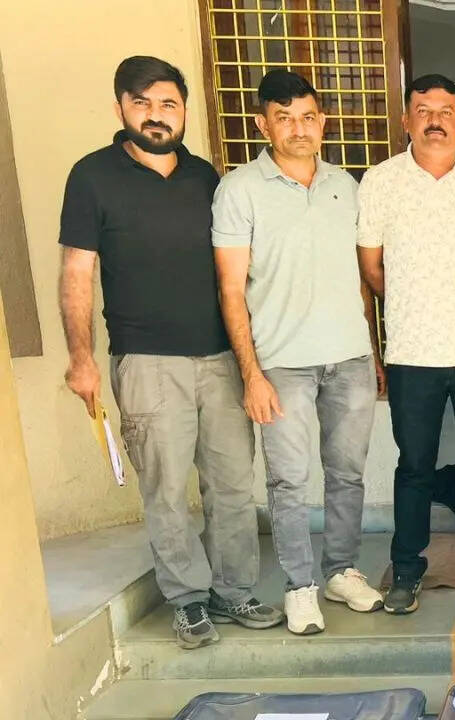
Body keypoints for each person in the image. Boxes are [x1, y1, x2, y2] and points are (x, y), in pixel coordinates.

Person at [59, 56, 281, 649]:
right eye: (142, 103)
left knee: (232, 484)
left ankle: (233, 590)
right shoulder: (92, 177)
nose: (156, 116)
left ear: (183, 111)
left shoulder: (206, 178)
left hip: (221, 358)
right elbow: (77, 272)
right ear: (121, 108)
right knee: (165, 489)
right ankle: (187, 599)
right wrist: (82, 358)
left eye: (168, 105)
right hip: (147, 361)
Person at [212, 70, 382, 635]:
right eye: (283, 118)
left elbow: (360, 278)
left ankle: (341, 571)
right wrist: (251, 374)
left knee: (348, 473)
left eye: (308, 117)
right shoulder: (239, 190)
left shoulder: (345, 186)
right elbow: (231, 289)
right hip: (281, 364)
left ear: (322, 122)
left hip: (350, 358)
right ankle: (300, 587)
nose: (298, 128)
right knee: (288, 481)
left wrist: (371, 349)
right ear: (263, 125)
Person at [356, 73, 455, 614]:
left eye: (445, 112)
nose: (435, 121)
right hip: (412, 355)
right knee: (414, 466)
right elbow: (371, 268)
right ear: (407, 120)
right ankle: (406, 569)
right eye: (423, 110)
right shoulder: (380, 182)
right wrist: (416, 303)